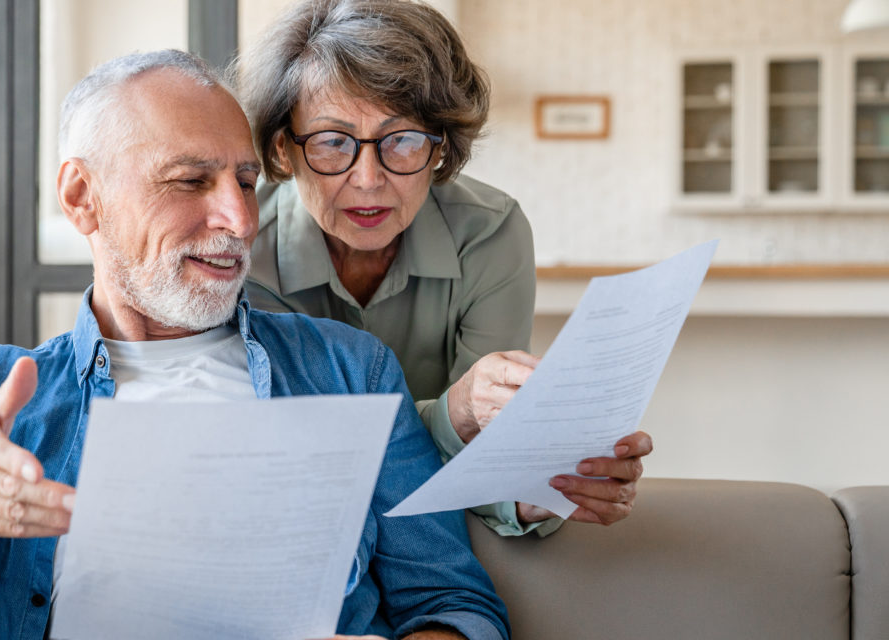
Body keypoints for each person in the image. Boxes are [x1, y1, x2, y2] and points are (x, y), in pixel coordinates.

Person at [0, 51, 509, 640]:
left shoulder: (348, 369)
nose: (240, 220)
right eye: (191, 181)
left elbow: (453, 600)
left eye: (246, 180)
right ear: (83, 197)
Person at [237, 0, 650, 536]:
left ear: (441, 148)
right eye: (333, 142)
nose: (367, 178)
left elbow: (493, 456)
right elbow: (295, 460)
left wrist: (533, 494)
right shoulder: (240, 247)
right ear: (282, 149)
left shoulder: (490, 233)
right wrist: (452, 416)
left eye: (403, 140)